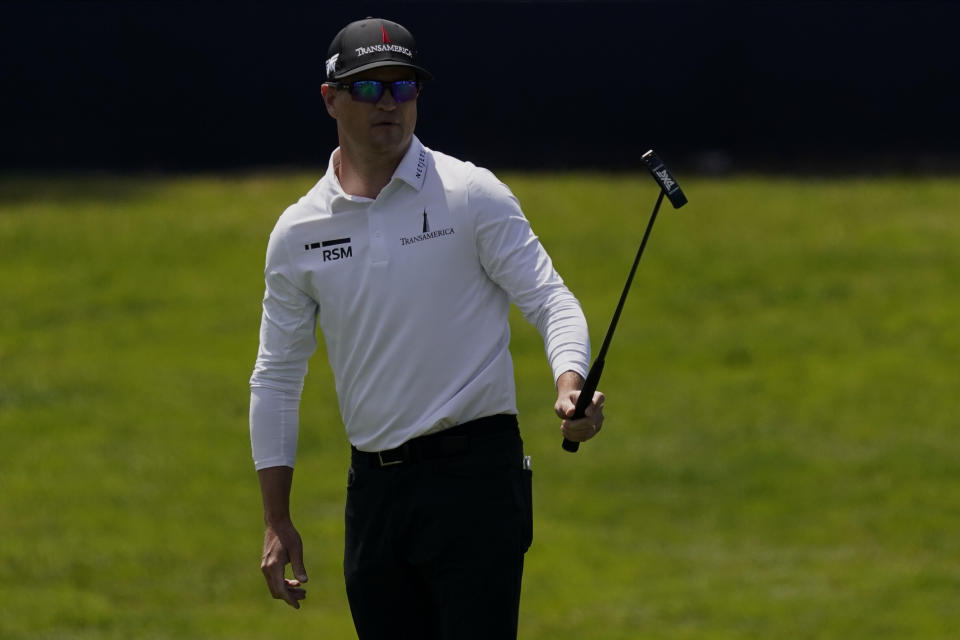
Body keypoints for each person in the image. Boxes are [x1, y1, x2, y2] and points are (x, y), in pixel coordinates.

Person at [249, 17, 605, 640]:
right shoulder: (298, 233)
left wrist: (569, 381)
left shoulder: (471, 194)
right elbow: (276, 378)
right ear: (330, 99)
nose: (388, 103)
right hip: (374, 496)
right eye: (368, 89)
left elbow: (552, 300)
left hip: (476, 481)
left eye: (403, 87)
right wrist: (276, 518)